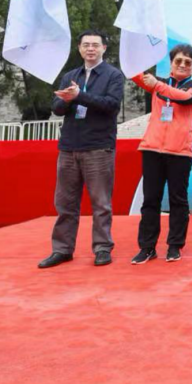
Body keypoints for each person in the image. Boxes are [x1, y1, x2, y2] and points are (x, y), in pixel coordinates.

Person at [38, 30, 126, 269]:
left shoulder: (113, 75)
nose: (90, 49)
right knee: (65, 203)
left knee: (101, 203)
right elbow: (57, 108)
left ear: (104, 48)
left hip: (98, 147)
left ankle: (102, 248)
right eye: (86, 45)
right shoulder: (70, 76)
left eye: (95, 45)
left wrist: (80, 96)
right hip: (69, 147)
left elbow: (111, 105)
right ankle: (62, 249)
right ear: (79, 49)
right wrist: (66, 100)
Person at [128, 45, 192, 264]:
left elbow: (185, 98)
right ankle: (147, 247)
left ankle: (174, 246)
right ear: (171, 63)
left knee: (177, 200)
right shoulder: (158, 83)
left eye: (188, 63)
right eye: (178, 61)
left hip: (180, 152)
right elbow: (133, 72)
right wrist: (132, 49)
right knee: (150, 200)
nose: (182, 65)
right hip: (152, 149)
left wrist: (158, 85)